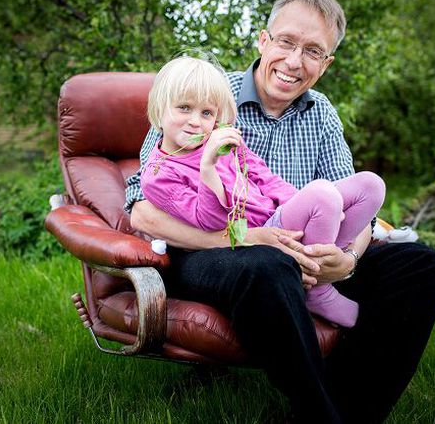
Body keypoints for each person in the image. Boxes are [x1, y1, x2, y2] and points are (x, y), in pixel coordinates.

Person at [124, 0, 435, 423]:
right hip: (215, 252)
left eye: (313, 51)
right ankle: (322, 413)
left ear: (326, 63)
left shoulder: (322, 115)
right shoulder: (204, 100)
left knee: (423, 265)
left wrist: (346, 258)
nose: (295, 61)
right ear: (263, 40)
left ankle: (346, 409)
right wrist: (239, 238)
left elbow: (360, 213)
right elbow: (140, 207)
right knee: (267, 265)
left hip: (307, 246)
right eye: (286, 42)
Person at [140, 55, 385, 328]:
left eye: (206, 113)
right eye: (184, 108)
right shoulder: (158, 175)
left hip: (280, 218)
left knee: (370, 185)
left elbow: (265, 178)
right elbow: (210, 222)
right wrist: (207, 169)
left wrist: (300, 203)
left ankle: (328, 258)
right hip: (256, 237)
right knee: (323, 194)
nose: (196, 122)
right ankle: (317, 291)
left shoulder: (224, 141)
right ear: (159, 110)